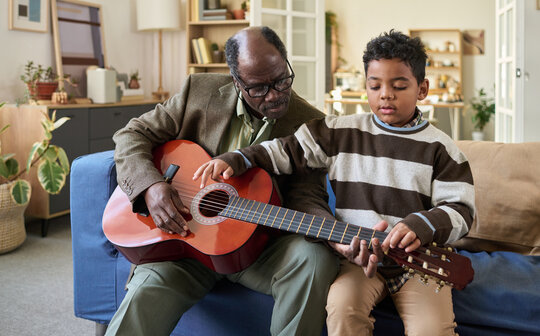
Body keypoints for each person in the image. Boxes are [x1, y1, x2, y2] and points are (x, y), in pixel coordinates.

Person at [194, 30, 476, 336]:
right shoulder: (339, 131)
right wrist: (237, 159)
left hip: (418, 265)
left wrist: (420, 225)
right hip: (358, 262)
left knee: (433, 331)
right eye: (375, 85)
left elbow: (461, 209)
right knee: (341, 313)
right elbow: (285, 150)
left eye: (399, 86)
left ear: (422, 89)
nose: (386, 94)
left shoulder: (442, 148)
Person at [107, 26, 339, 336]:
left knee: (315, 258)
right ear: (236, 81)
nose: (274, 95)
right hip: (186, 241)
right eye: (258, 88)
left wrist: (334, 233)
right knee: (143, 294)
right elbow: (132, 134)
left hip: (261, 248)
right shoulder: (198, 91)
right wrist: (151, 186)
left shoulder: (309, 123)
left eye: (282, 80)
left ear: (285, 62)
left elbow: (307, 195)